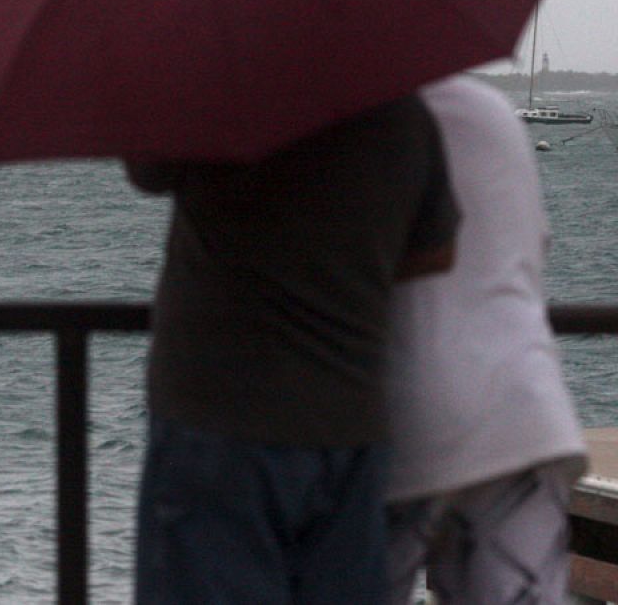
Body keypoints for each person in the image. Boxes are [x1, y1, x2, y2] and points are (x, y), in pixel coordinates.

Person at [126, 94, 459, 604]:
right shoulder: (400, 111)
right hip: (350, 419)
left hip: (219, 413)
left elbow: (144, 167)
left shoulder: (218, 98)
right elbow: (437, 250)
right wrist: (345, 273)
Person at [383, 75, 587, 605]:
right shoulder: (492, 114)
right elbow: (533, 245)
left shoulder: (356, 125)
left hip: (398, 421)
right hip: (520, 415)